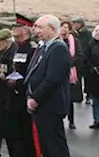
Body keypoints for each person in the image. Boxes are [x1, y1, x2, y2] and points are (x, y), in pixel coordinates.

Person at [24, 14, 71, 157]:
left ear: (52, 29)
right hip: (42, 105)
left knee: (54, 147)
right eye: (35, 26)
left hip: (51, 105)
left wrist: (35, 98)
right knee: (45, 146)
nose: (36, 30)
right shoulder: (43, 47)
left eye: (40, 27)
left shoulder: (59, 48)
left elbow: (53, 79)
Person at [0, 20, 34, 157]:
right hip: (10, 97)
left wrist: (18, 83)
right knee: (12, 135)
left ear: (25, 30)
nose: (13, 29)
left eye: (17, 27)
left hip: (22, 97)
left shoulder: (31, 48)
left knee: (24, 137)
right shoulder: (17, 48)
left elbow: (31, 72)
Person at [58, 21, 80, 130]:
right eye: (62, 26)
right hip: (59, 70)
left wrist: (70, 63)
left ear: (70, 30)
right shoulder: (57, 40)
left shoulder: (74, 41)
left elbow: (78, 54)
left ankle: (71, 120)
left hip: (71, 71)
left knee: (69, 98)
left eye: (66, 27)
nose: (64, 29)